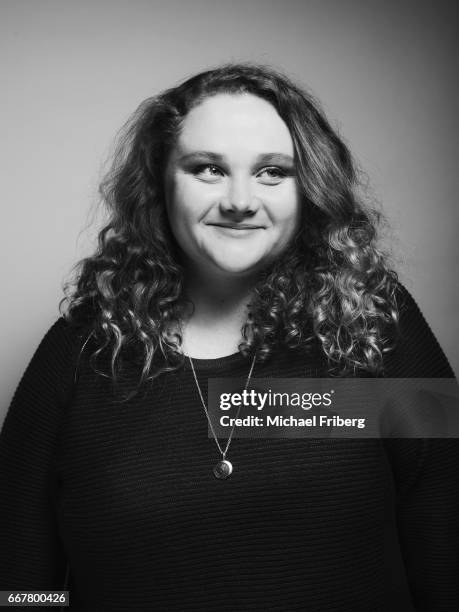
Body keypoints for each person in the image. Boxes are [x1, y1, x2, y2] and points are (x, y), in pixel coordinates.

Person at [0, 63, 457, 611]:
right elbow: (20, 579)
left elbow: (445, 535)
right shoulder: (80, 351)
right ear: (160, 183)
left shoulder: (373, 322)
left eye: (272, 172)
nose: (240, 200)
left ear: (306, 189)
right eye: (208, 169)